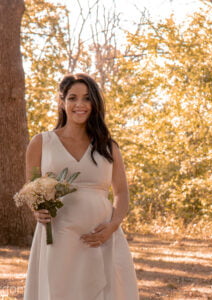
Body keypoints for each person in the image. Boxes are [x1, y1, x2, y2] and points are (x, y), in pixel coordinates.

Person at [23, 73, 139, 300]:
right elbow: (31, 189)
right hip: (57, 235)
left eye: (87, 98)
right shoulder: (41, 142)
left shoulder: (108, 146)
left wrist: (113, 226)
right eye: (73, 98)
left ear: (94, 103)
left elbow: (122, 192)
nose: (80, 104)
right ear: (62, 102)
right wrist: (36, 209)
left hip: (100, 237)